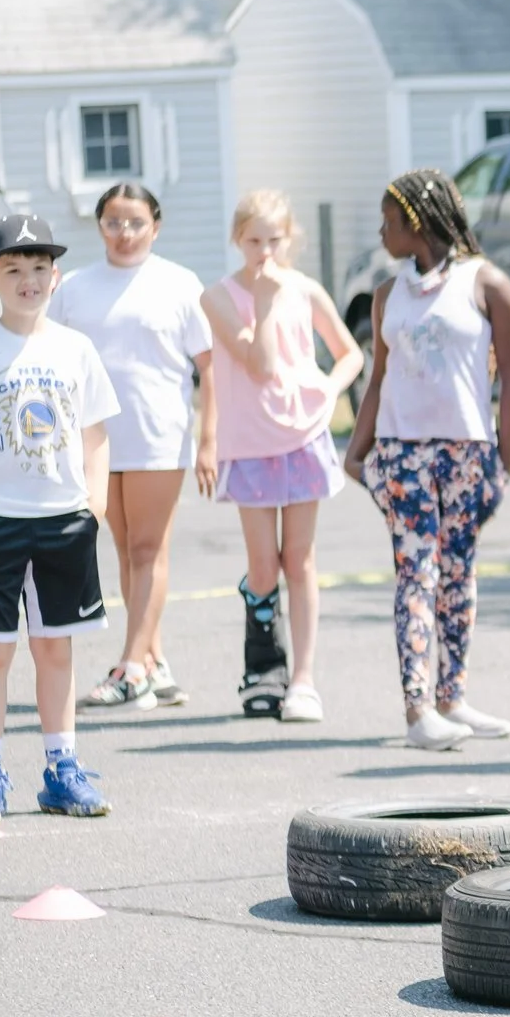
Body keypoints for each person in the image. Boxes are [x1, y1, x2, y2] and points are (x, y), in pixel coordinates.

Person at [0, 213, 119, 820]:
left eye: (39, 268)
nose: (28, 280)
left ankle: (62, 768)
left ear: (56, 277)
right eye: (13, 269)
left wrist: (94, 506)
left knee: (55, 650)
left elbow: (95, 434)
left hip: (64, 521)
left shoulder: (76, 349)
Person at [343, 170, 510, 751]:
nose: (381, 232)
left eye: (388, 221)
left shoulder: (487, 284)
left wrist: (507, 461)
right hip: (403, 453)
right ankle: (418, 710)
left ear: (417, 223)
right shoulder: (385, 294)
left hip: (467, 452)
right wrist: (357, 447)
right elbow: (381, 375)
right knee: (415, 574)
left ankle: (453, 698)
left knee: (458, 577)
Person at [51, 182, 214, 711]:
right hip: (95, 438)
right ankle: (155, 660)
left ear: (156, 227)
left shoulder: (179, 284)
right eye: (114, 222)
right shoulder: (73, 287)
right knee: (126, 553)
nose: (124, 233)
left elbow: (210, 369)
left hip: (157, 434)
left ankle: (131, 665)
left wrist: (209, 439)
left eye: (136, 223)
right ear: (98, 226)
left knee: (148, 549)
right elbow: (53, 361)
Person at [203, 190, 362, 724]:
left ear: (289, 237)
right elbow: (260, 365)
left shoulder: (306, 288)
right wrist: (267, 301)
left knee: (300, 560)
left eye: (275, 239)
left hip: (304, 437)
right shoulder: (220, 297)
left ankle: (303, 680)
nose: (265, 251)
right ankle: (264, 664)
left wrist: (328, 388)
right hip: (251, 443)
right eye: (253, 240)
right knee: (263, 566)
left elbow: (350, 353)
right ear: (236, 239)